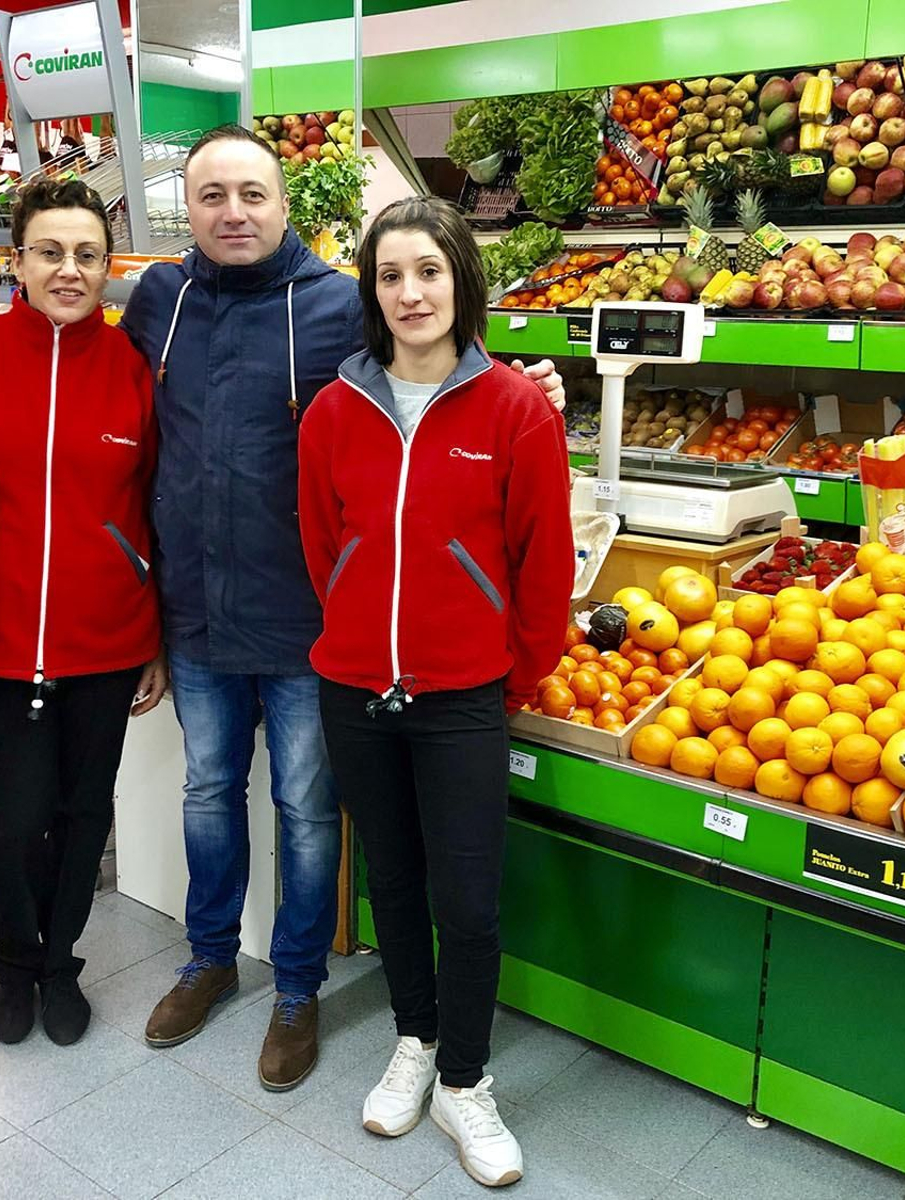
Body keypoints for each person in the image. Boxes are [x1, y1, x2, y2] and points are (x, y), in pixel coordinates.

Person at [120, 124, 564, 1092]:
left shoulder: (332, 304)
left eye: (252, 193)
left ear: (286, 204)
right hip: (204, 611)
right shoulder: (159, 298)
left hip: (312, 636)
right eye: (211, 195)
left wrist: (529, 387)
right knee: (208, 793)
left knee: (308, 812)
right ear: (184, 209)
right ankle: (207, 960)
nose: (233, 212)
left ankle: (296, 988)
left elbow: (452, 388)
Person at [297, 196, 572, 1187]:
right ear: (370, 292)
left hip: (463, 695)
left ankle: (464, 1080)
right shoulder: (334, 411)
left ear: (461, 280)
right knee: (396, 881)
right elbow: (323, 545)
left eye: (428, 271)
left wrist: (510, 672)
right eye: (388, 275)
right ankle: (413, 1039)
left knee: (468, 898)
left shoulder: (515, 409)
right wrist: (362, 636)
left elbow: (544, 567)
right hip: (357, 688)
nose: (409, 292)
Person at [0, 178, 166, 1048]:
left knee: (85, 816)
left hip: (107, 639)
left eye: (87, 254)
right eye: (50, 252)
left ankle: (59, 964)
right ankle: (15, 958)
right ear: (17, 260)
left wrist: (156, 634)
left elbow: (155, 506)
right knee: (15, 820)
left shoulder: (134, 371)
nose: (69, 269)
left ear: (106, 266)